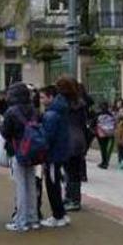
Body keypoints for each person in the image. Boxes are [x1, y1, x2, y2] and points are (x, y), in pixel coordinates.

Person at [0, 82, 39, 232]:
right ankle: (33, 218)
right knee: (31, 183)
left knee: (20, 185)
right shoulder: (33, 110)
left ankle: (21, 220)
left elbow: (5, 132)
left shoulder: (11, 111)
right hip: (33, 150)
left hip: (18, 150)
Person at [39, 83, 72, 228]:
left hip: (53, 154)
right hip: (59, 152)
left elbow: (47, 136)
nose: (40, 100)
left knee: (52, 185)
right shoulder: (60, 110)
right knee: (55, 182)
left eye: (42, 97)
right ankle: (61, 214)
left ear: (51, 97)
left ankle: (57, 215)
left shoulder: (51, 114)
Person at [62, 82, 92, 211]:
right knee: (73, 171)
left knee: (70, 171)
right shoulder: (81, 104)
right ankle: (72, 198)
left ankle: (73, 199)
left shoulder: (64, 105)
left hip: (69, 140)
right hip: (79, 139)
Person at [95, 101, 116, 169]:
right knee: (106, 148)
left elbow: (94, 122)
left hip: (101, 133)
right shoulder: (110, 114)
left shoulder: (98, 114)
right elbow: (114, 123)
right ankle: (105, 162)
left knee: (103, 148)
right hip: (109, 133)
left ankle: (104, 162)